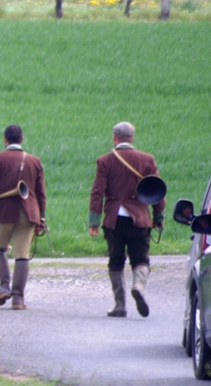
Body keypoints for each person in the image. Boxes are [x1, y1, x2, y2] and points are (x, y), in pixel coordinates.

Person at [89, 121, 165, 318]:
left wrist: (94, 221)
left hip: (114, 219)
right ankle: (138, 286)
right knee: (140, 259)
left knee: (116, 261)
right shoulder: (147, 159)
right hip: (139, 219)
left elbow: (97, 192)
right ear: (132, 138)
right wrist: (158, 216)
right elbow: (157, 190)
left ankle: (120, 306)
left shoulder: (105, 161)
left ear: (115, 137)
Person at [0, 124, 46, 310]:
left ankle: (4, 286)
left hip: (3, 211)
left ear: (5, 140)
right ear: (22, 139)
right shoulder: (34, 161)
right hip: (28, 213)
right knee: (22, 256)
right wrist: (41, 217)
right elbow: (40, 192)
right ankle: (18, 299)